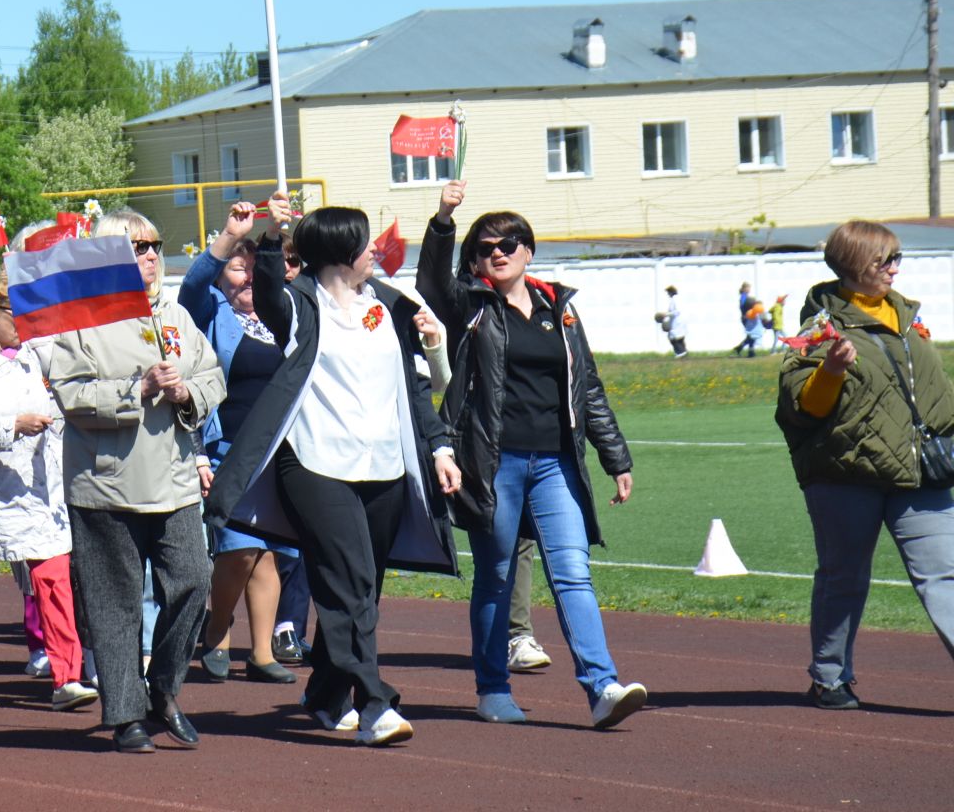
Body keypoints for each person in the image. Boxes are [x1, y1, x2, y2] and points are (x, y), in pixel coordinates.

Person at [207, 199, 462, 747]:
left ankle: (325, 693)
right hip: (315, 463)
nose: (375, 250)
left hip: (385, 466)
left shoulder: (392, 307)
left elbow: (416, 389)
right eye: (366, 242)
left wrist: (439, 447)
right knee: (345, 582)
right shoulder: (299, 304)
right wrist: (274, 236)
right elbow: (270, 290)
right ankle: (374, 702)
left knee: (362, 589)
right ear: (342, 249)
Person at [418, 179, 646, 729]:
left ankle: (602, 687)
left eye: (508, 243)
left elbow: (586, 388)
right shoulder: (468, 307)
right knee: (495, 576)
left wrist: (615, 457)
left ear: (529, 249)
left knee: (572, 574)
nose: (496, 253)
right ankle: (493, 689)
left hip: (556, 464)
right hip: (491, 465)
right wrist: (445, 219)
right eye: (484, 248)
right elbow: (430, 279)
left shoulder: (559, 309)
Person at [37, 209, 227, 753]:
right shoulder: (82, 317)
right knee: (115, 602)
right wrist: (136, 388)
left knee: (192, 579)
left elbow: (213, 374)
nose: (148, 257)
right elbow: (70, 395)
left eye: (153, 246)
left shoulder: (176, 314)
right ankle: (126, 715)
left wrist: (187, 392)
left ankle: (163, 689)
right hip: (106, 482)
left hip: (173, 477)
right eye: (135, 248)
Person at [775, 220, 954, 709]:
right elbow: (798, 405)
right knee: (844, 577)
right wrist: (831, 370)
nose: (895, 268)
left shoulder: (907, 317)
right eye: (884, 260)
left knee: (944, 575)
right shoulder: (822, 323)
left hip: (920, 474)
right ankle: (830, 677)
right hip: (846, 472)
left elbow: (932, 395)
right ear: (855, 265)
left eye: (897, 258)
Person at [0, 274, 96, 711]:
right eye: (18, 314)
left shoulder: (32, 354)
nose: (28, 323)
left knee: (54, 580)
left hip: (36, 488)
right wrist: (12, 427)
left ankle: (67, 676)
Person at [178, 202, 296, 686]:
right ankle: (216, 631)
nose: (247, 276)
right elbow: (189, 286)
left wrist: (273, 233)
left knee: (269, 553)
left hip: (280, 454)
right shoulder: (211, 312)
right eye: (236, 267)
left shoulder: (282, 313)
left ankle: (262, 652)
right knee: (238, 549)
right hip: (228, 449)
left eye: (253, 268)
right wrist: (229, 236)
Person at [657, 285, 688, 358]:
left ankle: (681, 353)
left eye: (668, 292)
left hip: (677, 322)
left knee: (676, 338)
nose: (668, 294)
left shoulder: (676, 299)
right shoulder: (673, 300)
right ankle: (681, 352)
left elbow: (677, 311)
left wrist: (666, 314)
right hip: (675, 322)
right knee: (676, 337)